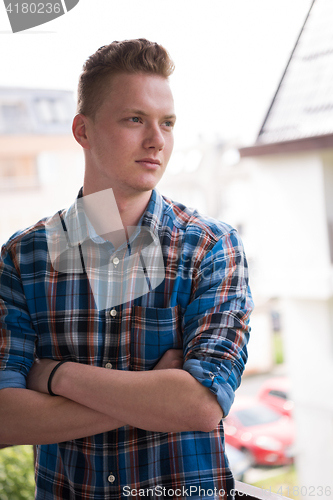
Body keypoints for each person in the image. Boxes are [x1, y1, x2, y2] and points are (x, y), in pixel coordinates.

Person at [0, 39, 253, 499]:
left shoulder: (211, 249)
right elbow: (4, 417)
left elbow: (200, 406)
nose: (157, 140)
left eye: (168, 123)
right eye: (135, 119)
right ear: (83, 130)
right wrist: (154, 397)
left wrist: (57, 376)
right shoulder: (24, 257)